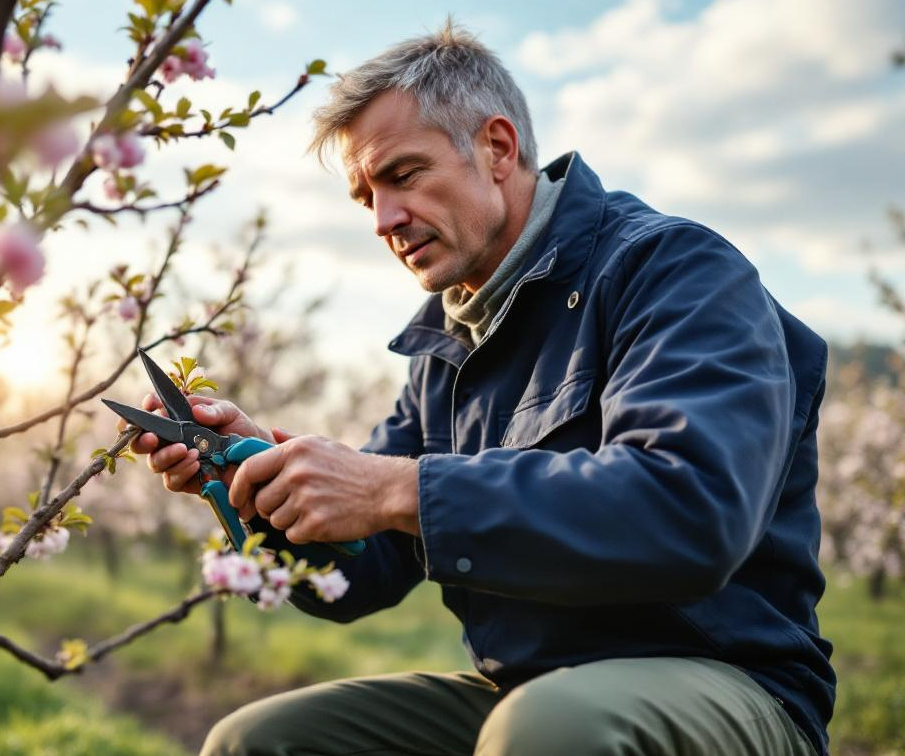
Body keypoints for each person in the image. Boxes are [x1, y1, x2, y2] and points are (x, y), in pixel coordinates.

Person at [128, 21, 834, 756]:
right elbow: (363, 576)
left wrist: (395, 490)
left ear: (497, 149)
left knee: (551, 730)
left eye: (402, 175)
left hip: (730, 685)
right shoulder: (444, 344)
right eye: (364, 196)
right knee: (258, 740)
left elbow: (693, 510)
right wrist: (254, 473)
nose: (382, 220)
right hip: (524, 692)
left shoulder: (674, 271)